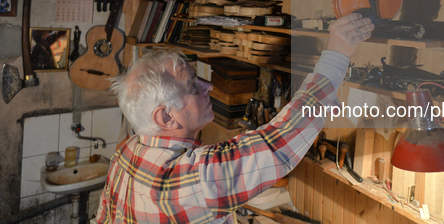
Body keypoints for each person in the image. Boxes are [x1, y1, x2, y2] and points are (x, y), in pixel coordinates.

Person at [94, 13, 374, 223]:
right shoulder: (185, 181)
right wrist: (337, 52)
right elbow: (278, 142)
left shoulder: (126, 152)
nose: (209, 87)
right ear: (165, 116)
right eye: (193, 85)